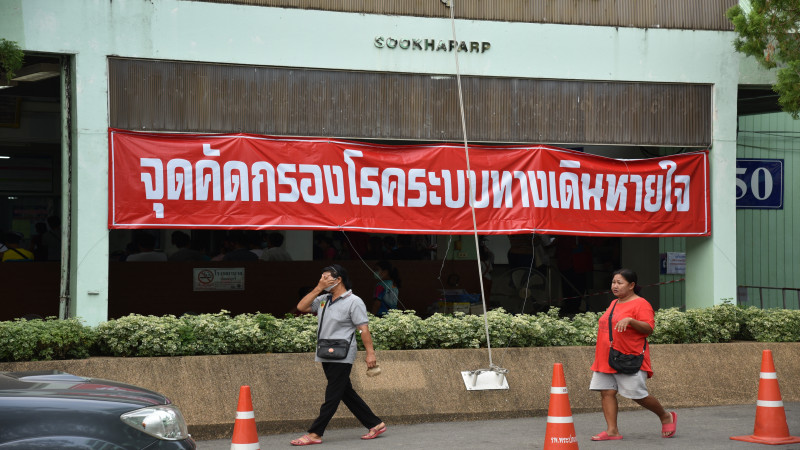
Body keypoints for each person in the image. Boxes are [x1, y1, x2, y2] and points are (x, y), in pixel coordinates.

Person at [291, 264, 386, 446]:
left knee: (333, 395)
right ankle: (375, 424)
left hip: (343, 354)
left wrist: (370, 354)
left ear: (338, 279)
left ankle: (315, 433)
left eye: (326, 277)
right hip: (326, 351)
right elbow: (301, 307)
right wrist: (319, 288)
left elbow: (363, 329)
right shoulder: (323, 299)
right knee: (345, 392)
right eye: (321, 277)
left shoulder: (354, 301)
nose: (322, 280)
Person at [589, 268, 676, 441]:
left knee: (638, 395)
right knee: (606, 392)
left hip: (629, 357)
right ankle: (612, 430)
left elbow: (649, 329)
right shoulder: (614, 303)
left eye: (619, 283)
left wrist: (630, 320)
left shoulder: (641, 304)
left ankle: (665, 416)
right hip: (606, 357)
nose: (615, 286)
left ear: (632, 285)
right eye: (613, 282)